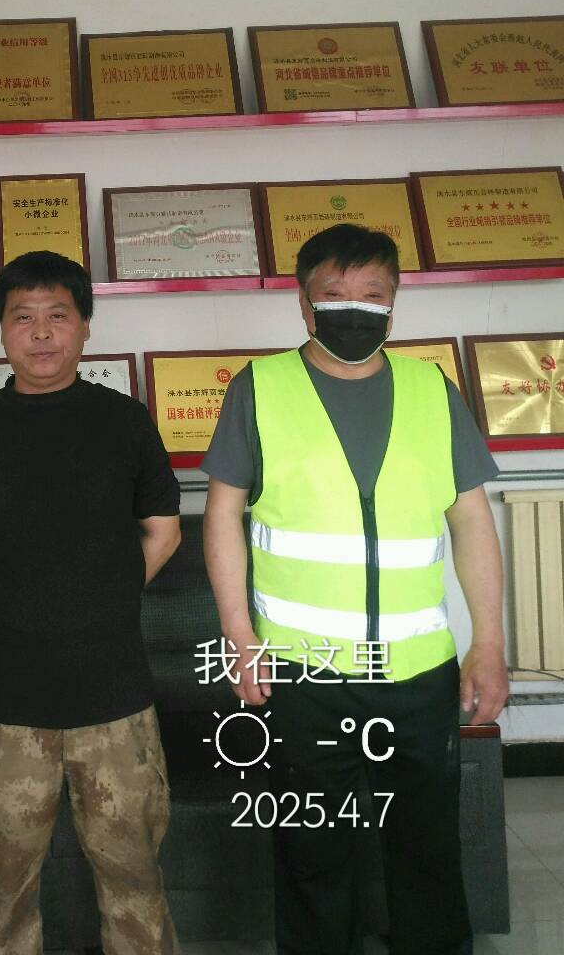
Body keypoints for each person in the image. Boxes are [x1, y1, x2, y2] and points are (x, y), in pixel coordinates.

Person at [202, 222, 508, 955]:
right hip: (302, 673)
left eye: (374, 294)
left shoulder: (433, 391)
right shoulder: (259, 388)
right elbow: (222, 516)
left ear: (394, 303)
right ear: (304, 304)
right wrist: (239, 635)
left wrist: (489, 643)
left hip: (418, 671)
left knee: (427, 852)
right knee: (313, 855)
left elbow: (471, 520)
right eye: (336, 294)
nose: (355, 309)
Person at [0, 250, 183, 955]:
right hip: (5, 706)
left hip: (115, 701)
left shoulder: (125, 422)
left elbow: (164, 531)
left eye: (57, 315)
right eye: (21, 317)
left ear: (85, 325)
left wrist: (104, 598)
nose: (40, 333)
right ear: (1, 330)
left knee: (136, 881)